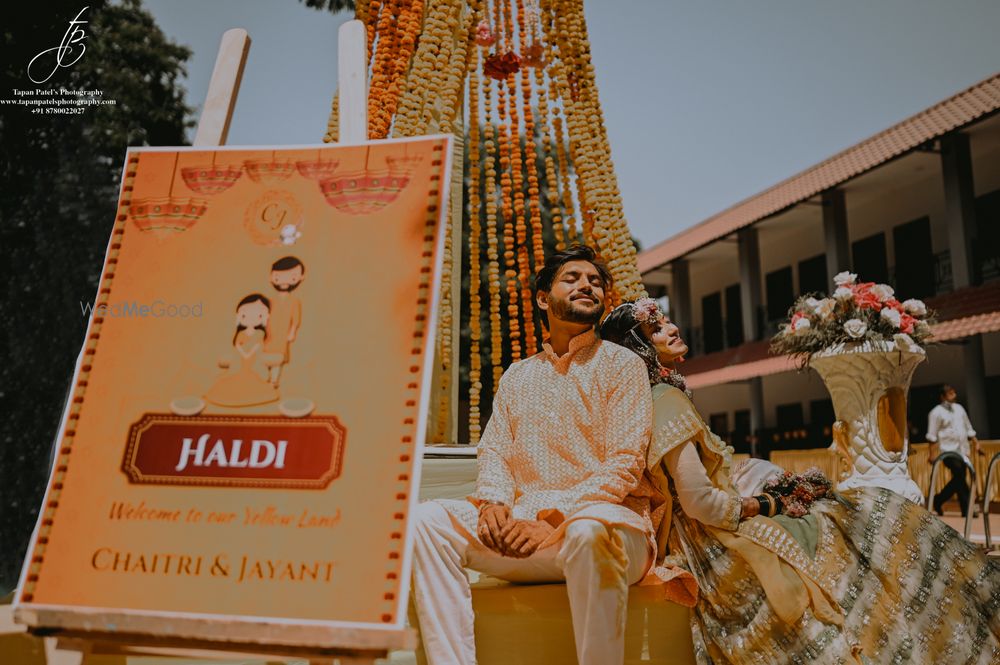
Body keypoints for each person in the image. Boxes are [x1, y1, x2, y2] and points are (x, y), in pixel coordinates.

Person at [600, 299, 1000, 665]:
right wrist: (769, 503)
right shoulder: (664, 401)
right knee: (878, 511)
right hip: (715, 540)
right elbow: (701, 504)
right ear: (640, 348)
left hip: (710, 530)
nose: (670, 326)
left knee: (865, 509)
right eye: (655, 328)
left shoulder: (657, 396)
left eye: (666, 318)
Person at [410, 246, 694, 665]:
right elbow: (495, 452)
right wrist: (492, 504)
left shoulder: (621, 365)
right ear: (544, 299)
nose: (587, 286)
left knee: (586, 533)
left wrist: (555, 519)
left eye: (595, 282)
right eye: (573, 278)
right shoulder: (519, 375)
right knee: (425, 521)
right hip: (526, 534)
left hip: (609, 529)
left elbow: (625, 463)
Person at [203, 293, 281, 407]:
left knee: (254, 380)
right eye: (245, 315)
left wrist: (249, 352)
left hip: (253, 360)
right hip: (240, 360)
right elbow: (238, 344)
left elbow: (258, 345)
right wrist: (243, 352)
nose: (251, 318)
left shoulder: (260, 333)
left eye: (259, 315)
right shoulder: (241, 333)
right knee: (231, 380)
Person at [927, 384, 980, 517]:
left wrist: (976, 443)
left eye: (954, 393)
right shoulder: (935, 412)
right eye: (950, 393)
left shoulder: (960, 409)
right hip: (948, 451)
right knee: (959, 474)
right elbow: (932, 435)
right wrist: (932, 454)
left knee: (959, 478)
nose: (954, 395)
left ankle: (939, 500)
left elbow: (968, 427)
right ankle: (969, 508)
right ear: (943, 396)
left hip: (963, 449)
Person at [264, 256, 305, 387]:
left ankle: (274, 380)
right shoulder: (271, 301)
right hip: (269, 332)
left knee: (278, 357)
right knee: (265, 355)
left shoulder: (294, 301)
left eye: (292, 277)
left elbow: (296, 318)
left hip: (282, 333)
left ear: (300, 278)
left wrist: (292, 332)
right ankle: (266, 377)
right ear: (271, 277)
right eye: (278, 277)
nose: (284, 281)